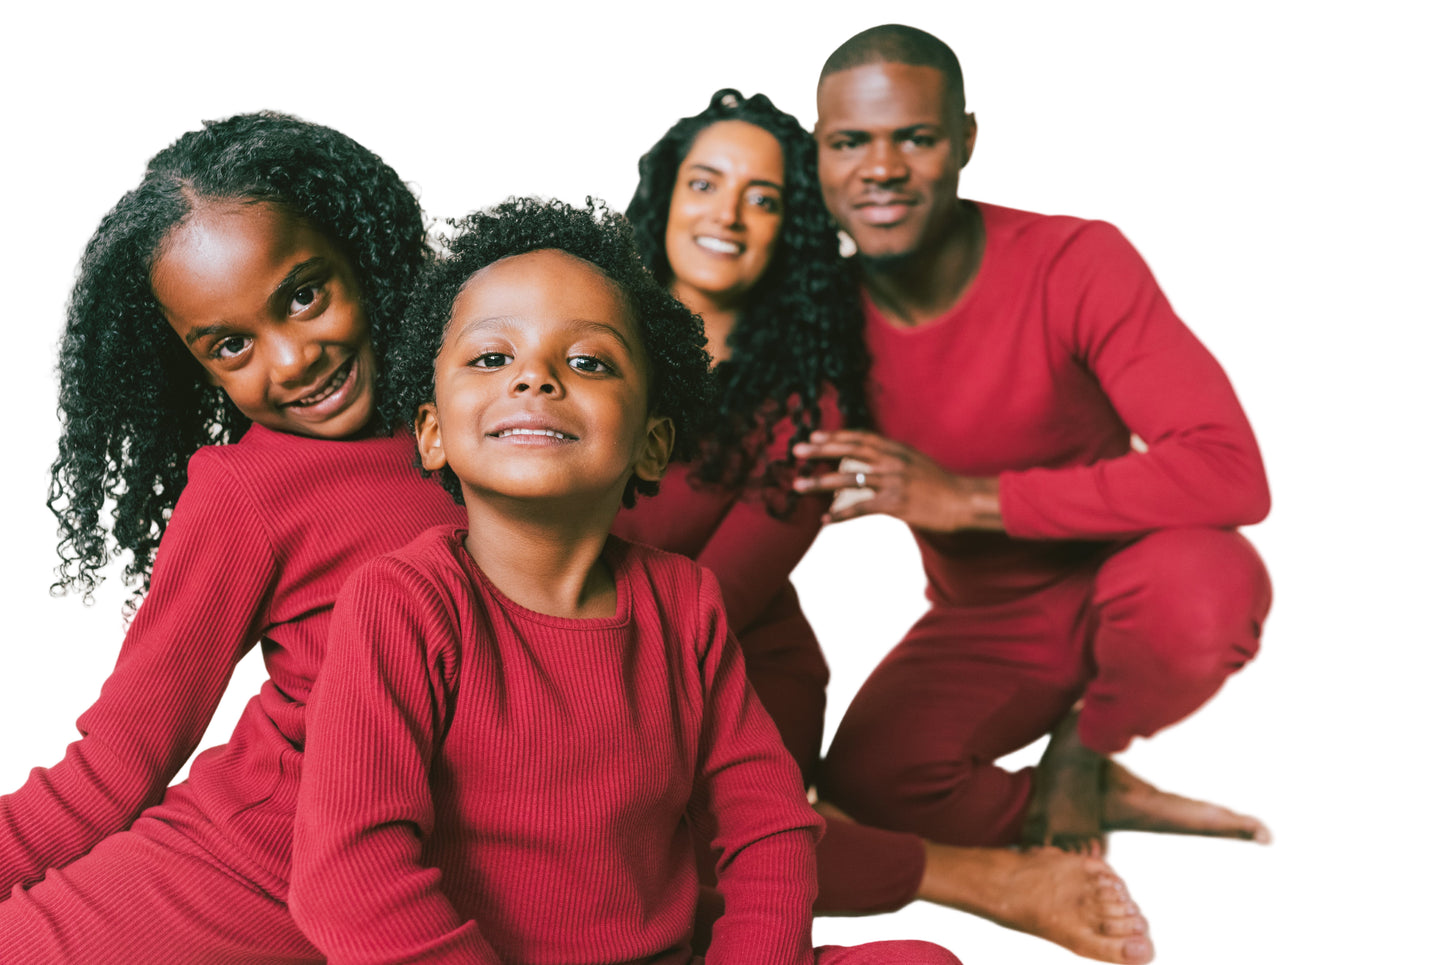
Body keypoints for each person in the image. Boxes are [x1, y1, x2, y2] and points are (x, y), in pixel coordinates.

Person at [289, 196, 963, 965]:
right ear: (433, 433)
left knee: (919, 961)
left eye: (587, 361)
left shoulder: (684, 604)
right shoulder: (402, 603)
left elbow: (768, 830)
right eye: (489, 357)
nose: (535, 378)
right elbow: (347, 872)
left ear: (650, 444)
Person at [613, 86, 1150, 951]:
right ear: (665, 197)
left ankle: (977, 874)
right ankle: (817, 826)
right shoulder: (580, 327)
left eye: (765, 199)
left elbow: (711, 602)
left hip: (729, 663)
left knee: (669, 853)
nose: (728, 215)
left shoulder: (810, 401)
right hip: (580, 650)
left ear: (793, 230)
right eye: (705, 184)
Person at [793, 24, 1274, 963]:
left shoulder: (1073, 261)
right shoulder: (821, 315)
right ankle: (1093, 800)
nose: (879, 168)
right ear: (817, 156)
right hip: (984, 624)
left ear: (965, 139)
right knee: (866, 779)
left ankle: (1086, 753)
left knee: (1207, 580)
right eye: (849, 142)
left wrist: (972, 499)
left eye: (915, 138)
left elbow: (1228, 469)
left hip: (1125, 581)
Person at [0, 112, 466, 962]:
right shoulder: (244, 493)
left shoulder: (491, 415)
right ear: (195, 367)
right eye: (230, 345)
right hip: (231, 884)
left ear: (360, 252)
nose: (289, 360)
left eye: (302, 294)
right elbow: (112, 770)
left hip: (413, 898)